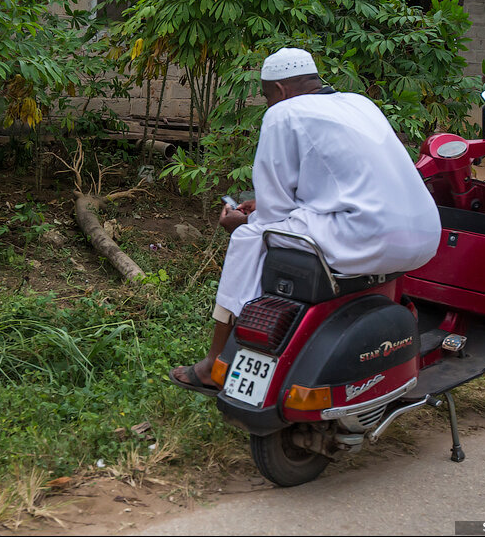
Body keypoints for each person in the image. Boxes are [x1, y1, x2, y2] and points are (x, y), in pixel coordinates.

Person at [170, 47, 442, 394]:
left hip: (366, 235)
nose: (269, 105)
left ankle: (214, 364)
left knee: (248, 238)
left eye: (268, 97)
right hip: (423, 233)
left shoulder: (283, 114)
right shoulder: (358, 103)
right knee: (264, 229)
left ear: (280, 91)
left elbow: (275, 211)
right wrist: (265, 207)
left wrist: (242, 221)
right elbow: (341, 185)